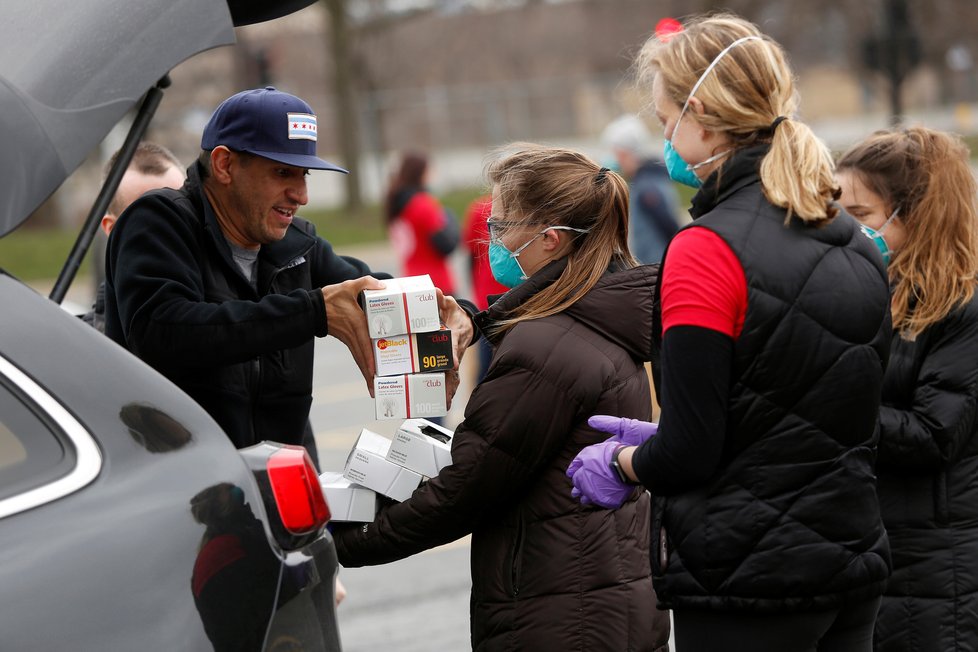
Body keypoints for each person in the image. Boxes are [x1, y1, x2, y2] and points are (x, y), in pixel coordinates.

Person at [566, 15, 892, 652]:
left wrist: (625, 462)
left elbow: (691, 451)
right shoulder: (854, 241)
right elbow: (800, 408)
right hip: (851, 568)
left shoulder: (706, 249)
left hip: (749, 583)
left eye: (666, 120)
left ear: (704, 117)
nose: (664, 137)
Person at [333, 144, 670, 652]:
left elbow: (466, 487)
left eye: (499, 225)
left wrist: (343, 541)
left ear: (549, 241)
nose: (487, 238)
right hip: (607, 594)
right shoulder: (596, 321)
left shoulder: (546, 350)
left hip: (560, 614)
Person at [104, 86, 474, 452]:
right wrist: (311, 312)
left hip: (283, 491)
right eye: (283, 173)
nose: (301, 195)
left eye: (304, 175)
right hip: (185, 491)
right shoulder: (158, 220)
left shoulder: (299, 243)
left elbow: (378, 292)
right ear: (224, 164)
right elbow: (162, 331)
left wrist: (462, 316)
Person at [836, 127, 978, 652]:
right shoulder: (875, 294)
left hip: (937, 566)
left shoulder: (961, 309)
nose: (841, 229)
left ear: (915, 216)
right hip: (881, 548)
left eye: (860, 215)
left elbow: (934, 434)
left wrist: (828, 406)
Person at [82, 142, 185, 332]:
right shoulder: (84, 344)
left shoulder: (234, 318)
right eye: (148, 220)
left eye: (180, 212)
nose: (170, 231)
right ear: (112, 229)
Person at [601, 113, 682, 263]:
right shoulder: (646, 180)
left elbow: (670, 226)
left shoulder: (648, 186)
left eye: (617, 154)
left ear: (625, 153)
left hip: (658, 267)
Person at [385, 151, 459, 295]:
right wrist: (451, 220)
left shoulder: (395, 204)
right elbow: (446, 245)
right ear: (420, 173)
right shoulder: (422, 204)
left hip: (410, 281)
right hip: (436, 283)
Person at [461, 193, 507, 381]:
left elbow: (470, 257)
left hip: (486, 298)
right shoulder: (530, 204)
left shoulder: (479, 207)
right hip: (516, 296)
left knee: (485, 368)